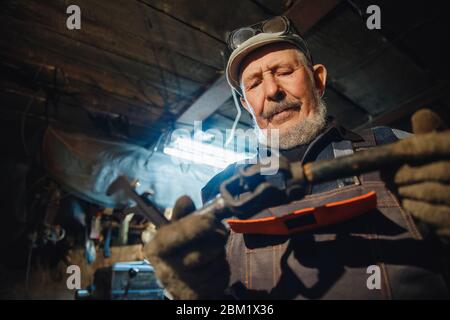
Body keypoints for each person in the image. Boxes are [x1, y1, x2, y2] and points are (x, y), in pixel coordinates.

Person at [146, 16, 450, 299]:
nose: (273, 91)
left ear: (318, 80)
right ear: (245, 103)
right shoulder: (219, 190)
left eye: (285, 72)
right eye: (254, 84)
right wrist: (191, 293)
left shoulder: (396, 147)